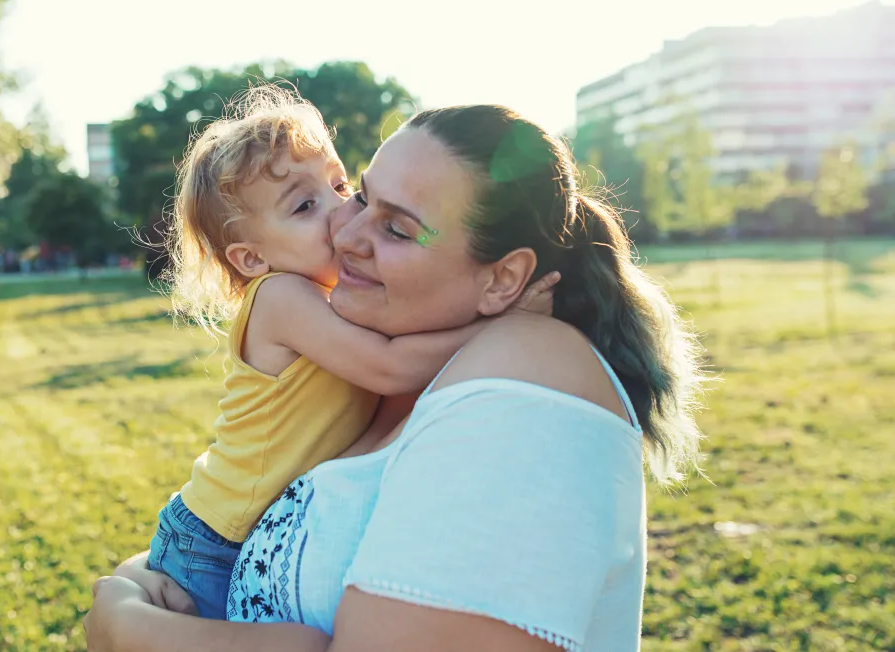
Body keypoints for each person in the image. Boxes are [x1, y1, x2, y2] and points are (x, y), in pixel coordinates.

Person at [86, 103, 705, 651]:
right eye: (361, 197)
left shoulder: (528, 379)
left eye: (396, 228)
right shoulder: (377, 360)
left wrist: (132, 632)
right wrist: (141, 581)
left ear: (503, 281)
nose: (345, 229)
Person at [138, 87, 559, 620]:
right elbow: (389, 365)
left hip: (245, 527)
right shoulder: (280, 297)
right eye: (305, 206)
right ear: (252, 258)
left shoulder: (330, 297)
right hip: (214, 538)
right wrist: (502, 319)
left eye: (340, 186)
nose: (341, 211)